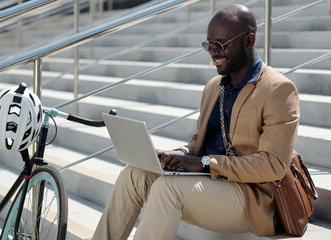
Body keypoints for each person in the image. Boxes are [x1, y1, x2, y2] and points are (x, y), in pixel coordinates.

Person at [92, 4, 299, 240]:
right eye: (209, 44)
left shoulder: (278, 89)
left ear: (249, 40)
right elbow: (199, 140)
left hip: (252, 196)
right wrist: (177, 154)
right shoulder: (214, 87)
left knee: (166, 188)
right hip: (210, 182)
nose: (213, 52)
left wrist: (204, 163)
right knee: (134, 174)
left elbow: (273, 165)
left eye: (220, 44)